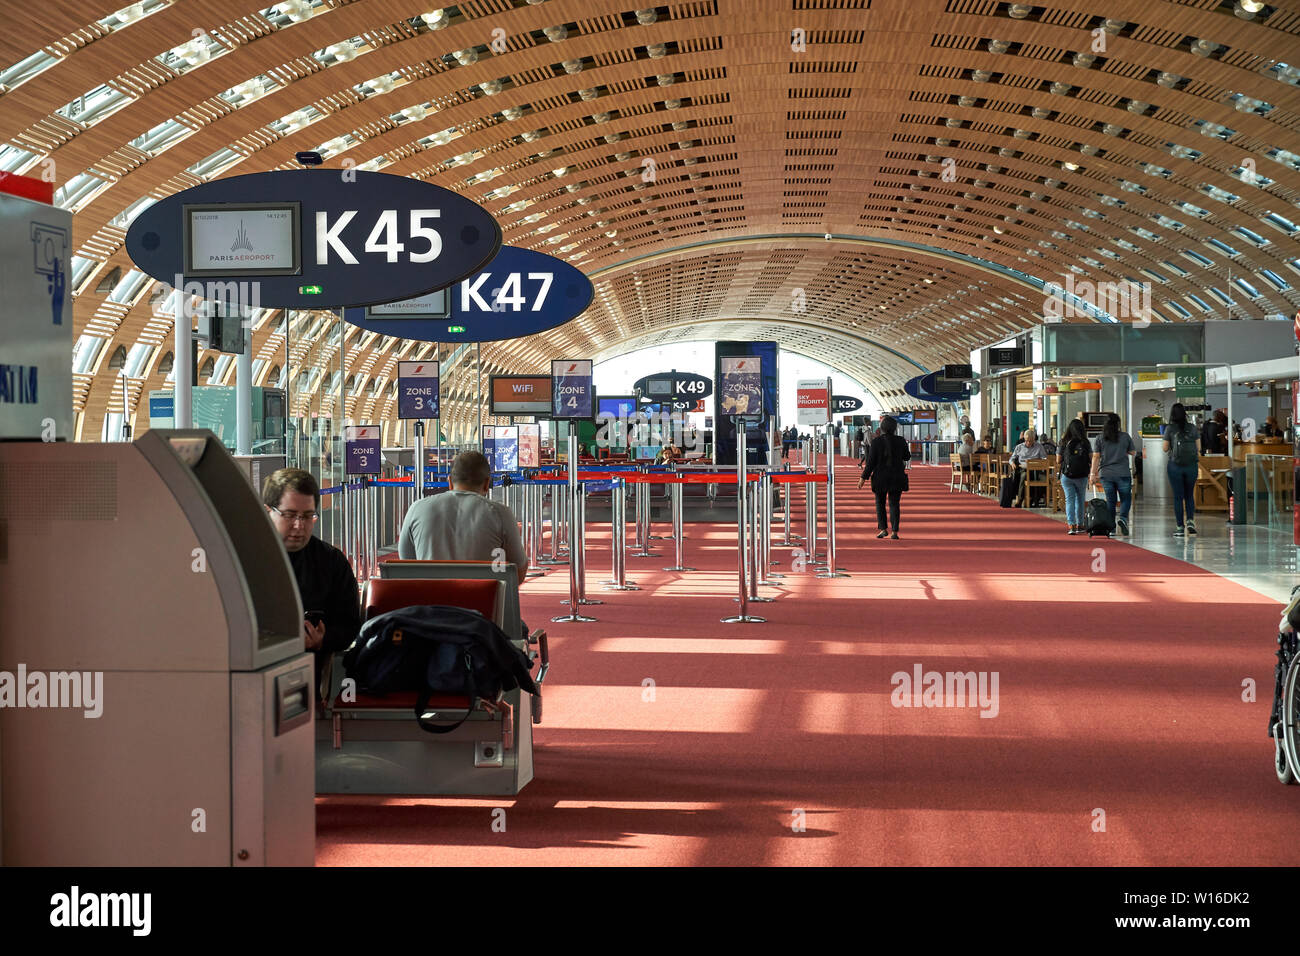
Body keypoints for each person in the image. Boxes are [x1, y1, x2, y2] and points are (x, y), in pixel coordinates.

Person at [263, 468, 360, 698]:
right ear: (268, 512)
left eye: (308, 516)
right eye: (289, 515)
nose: (299, 526)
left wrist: (322, 639)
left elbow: (350, 626)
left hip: (308, 675)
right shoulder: (242, 559)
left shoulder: (331, 563)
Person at [399, 450, 529, 585]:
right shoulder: (500, 513)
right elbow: (518, 570)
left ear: (449, 482)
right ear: (486, 483)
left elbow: (407, 566)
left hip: (429, 602)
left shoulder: (417, 508)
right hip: (483, 603)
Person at [858, 415, 911, 539]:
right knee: (894, 504)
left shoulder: (876, 442)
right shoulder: (901, 440)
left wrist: (862, 478)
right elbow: (907, 457)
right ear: (894, 428)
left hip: (880, 477)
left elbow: (870, 463)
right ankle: (895, 532)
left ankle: (883, 529)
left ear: (881, 428)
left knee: (880, 503)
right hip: (897, 477)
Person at [1089, 413, 1137, 535]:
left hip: (1106, 474)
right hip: (1123, 473)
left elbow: (1096, 457)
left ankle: (1111, 528)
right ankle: (1123, 519)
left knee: (1111, 501)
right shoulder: (1125, 437)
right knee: (1126, 498)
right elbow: (1133, 452)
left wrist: (1092, 474)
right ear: (1118, 424)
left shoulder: (1100, 438)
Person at [1162, 402, 1200, 537]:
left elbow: (1165, 448)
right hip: (1191, 466)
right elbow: (1198, 448)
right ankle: (1190, 521)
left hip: (1175, 466)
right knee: (1189, 495)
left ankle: (1179, 527)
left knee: (1178, 497)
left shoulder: (1170, 429)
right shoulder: (1193, 428)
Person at [1056, 419, 1092, 534]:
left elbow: (1058, 460)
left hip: (1067, 476)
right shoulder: (1085, 442)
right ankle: (1080, 524)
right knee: (1080, 500)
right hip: (1082, 475)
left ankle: (1071, 525)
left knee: (1069, 500)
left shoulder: (1064, 441)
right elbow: (1091, 458)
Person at [1009, 427, 1047, 506]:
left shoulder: (1039, 446)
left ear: (1034, 439)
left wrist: (1040, 462)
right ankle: (1020, 499)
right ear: (1024, 439)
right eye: (1026, 441)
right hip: (1023, 469)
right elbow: (1012, 458)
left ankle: (1035, 499)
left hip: (1036, 469)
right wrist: (1012, 463)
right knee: (1024, 476)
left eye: (1031, 441)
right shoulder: (1019, 447)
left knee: (1044, 479)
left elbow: (1044, 458)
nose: (1028, 443)